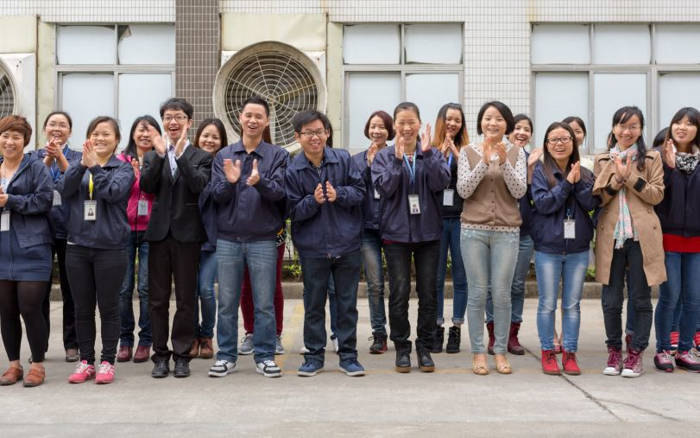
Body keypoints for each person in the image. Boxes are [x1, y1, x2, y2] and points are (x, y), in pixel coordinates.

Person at [209, 96, 288, 378]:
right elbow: (216, 196)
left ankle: (265, 355)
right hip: (229, 239)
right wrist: (230, 183)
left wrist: (261, 182)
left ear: (266, 121)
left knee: (264, 302)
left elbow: (281, 195)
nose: (253, 120)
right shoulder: (224, 156)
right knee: (227, 301)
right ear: (239, 118)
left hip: (263, 239)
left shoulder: (277, 155)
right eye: (248, 115)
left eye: (259, 116)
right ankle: (226, 355)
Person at [286, 110, 366, 377]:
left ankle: (348, 355)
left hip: (347, 244)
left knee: (346, 304)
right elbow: (291, 211)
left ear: (327, 133)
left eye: (319, 131)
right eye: (308, 132)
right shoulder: (293, 168)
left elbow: (360, 193)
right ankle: (314, 356)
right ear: (298, 137)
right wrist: (314, 201)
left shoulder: (342, 159)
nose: (314, 137)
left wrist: (338, 194)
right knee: (313, 304)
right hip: (313, 247)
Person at [372, 102, 450, 373]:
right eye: (401, 122)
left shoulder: (432, 153)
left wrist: (428, 155)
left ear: (419, 124)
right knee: (399, 292)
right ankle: (402, 347)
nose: (406, 128)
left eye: (411, 122)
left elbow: (441, 183)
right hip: (396, 234)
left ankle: (425, 348)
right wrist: (395, 160)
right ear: (395, 125)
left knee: (428, 293)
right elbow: (386, 188)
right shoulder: (383, 156)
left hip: (429, 233)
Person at [140, 98, 213, 378]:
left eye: (179, 117)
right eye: (168, 117)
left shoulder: (201, 156)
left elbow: (198, 185)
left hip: (187, 235)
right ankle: (160, 355)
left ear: (189, 122)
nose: (173, 122)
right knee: (156, 299)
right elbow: (147, 187)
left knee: (185, 298)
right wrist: (159, 156)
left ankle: (182, 354)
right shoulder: (151, 155)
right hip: (159, 235)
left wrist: (180, 156)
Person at [593, 106, 665, 378]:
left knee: (641, 299)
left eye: (633, 126)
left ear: (641, 129)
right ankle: (613, 352)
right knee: (611, 300)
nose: (627, 131)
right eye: (622, 125)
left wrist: (631, 177)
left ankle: (635, 353)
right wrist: (616, 178)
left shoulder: (651, 158)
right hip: (611, 237)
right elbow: (598, 197)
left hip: (641, 236)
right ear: (613, 128)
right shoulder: (602, 159)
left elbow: (657, 195)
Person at [62, 116, 134, 384]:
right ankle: (85, 361)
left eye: (106, 134)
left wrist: (95, 168)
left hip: (110, 247)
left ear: (116, 140)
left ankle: (107, 361)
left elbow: (113, 193)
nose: (100, 138)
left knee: (108, 307)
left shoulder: (123, 169)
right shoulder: (79, 164)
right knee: (82, 307)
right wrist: (81, 167)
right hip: (78, 245)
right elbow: (66, 190)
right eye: (95, 133)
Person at [457, 101, 527, 375]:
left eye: (498, 118)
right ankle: (477, 353)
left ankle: (499, 351)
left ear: (506, 123)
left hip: (507, 231)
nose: (493, 123)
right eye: (488, 118)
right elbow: (463, 190)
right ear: (481, 123)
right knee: (476, 292)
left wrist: (504, 162)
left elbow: (519, 191)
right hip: (473, 229)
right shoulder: (468, 151)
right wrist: (484, 163)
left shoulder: (517, 153)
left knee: (501, 294)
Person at [531, 121, 598, 375]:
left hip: (578, 249)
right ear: (547, 145)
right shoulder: (540, 171)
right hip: (547, 247)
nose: (559, 144)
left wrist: (577, 180)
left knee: (572, 304)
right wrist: (566, 184)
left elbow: (591, 202)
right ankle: (548, 351)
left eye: (564, 139)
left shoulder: (586, 172)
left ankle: (570, 352)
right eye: (553, 139)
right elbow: (544, 204)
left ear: (574, 142)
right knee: (547, 303)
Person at [0, 115, 53, 387]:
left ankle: (38, 364)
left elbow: (44, 201)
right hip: (2, 250)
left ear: (25, 141)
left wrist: (10, 199)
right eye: (6, 136)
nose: (10, 142)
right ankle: (13, 365)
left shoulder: (35, 167)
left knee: (30, 307)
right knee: (6, 309)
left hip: (32, 248)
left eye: (16, 137)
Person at [485, 113, 538, 356]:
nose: (521, 132)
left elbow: (533, 197)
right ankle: (494, 334)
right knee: (491, 285)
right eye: (517, 127)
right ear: (508, 131)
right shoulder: (496, 155)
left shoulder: (535, 159)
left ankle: (512, 335)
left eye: (526, 129)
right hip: (496, 230)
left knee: (516, 285)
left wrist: (530, 170)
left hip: (523, 231)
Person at [653, 107, 700, 372]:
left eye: (689, 123)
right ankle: (663, 349)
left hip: (697, 241)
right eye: (678, 122)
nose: (682, 127)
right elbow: (662, 199)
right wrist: (671, 169)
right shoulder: (659, 158)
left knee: (694, 299)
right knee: (670, 297)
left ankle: (684, 349)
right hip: (669, 237)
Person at [36, 111, 82, 362]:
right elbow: (32, 184)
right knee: (39, 289)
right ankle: (39, 343)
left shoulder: (76, 156)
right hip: (39, 230)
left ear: (70, 131)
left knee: (70, 290)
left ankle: (71, 343)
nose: (57, 128)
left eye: (63, 125)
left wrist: (60, 156)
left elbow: (77, 182)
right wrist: (45, 160)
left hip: (68, 228)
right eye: (52, 124)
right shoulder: (33, 157)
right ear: (45, 128)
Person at [115, 116, 158, 363]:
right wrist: (131, 175)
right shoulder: (121, 160)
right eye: (140, 130)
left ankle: (145, 340)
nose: (144, 135)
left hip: (151, 231)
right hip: (124, 230)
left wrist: (145, 173)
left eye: (149, 131)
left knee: (145, 288)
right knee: (122, 289)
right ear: (132, 134)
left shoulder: (159, 159)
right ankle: (125, 340)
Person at [352, 110, 394, 354]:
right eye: (373, 126)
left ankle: (400, 332)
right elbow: (355, 189)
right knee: (375, 284)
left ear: (390, 131)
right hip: (367, 229)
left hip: (392, 227)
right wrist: (368, 166)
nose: (377, 130)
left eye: (382, 127)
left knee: (398, 285)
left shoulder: (394, 156)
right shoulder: (357, 159)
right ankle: (379, 334)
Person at [431, 103, 469, 354]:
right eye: (449, 119)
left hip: (461, 218)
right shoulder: (430, 149)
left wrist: (458, 157)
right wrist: (438, 157)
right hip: (435, 220)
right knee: (434, 276)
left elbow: (473, 180)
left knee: (460, 276)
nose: (453, 124)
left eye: (457, 120)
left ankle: (455, 327)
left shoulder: (468, 151)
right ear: (441, 121)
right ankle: (436, 326)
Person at [189, 118, 227, 360]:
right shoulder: (188, 162)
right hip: (188, 237)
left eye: (215, 137)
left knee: (206, 289)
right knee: (189, 291)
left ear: (221, 141)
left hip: (214, 238)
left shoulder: (224, 166)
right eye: (205, 135)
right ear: (197, 137)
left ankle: (206, 336)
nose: (209, 140)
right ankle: (191, 336)